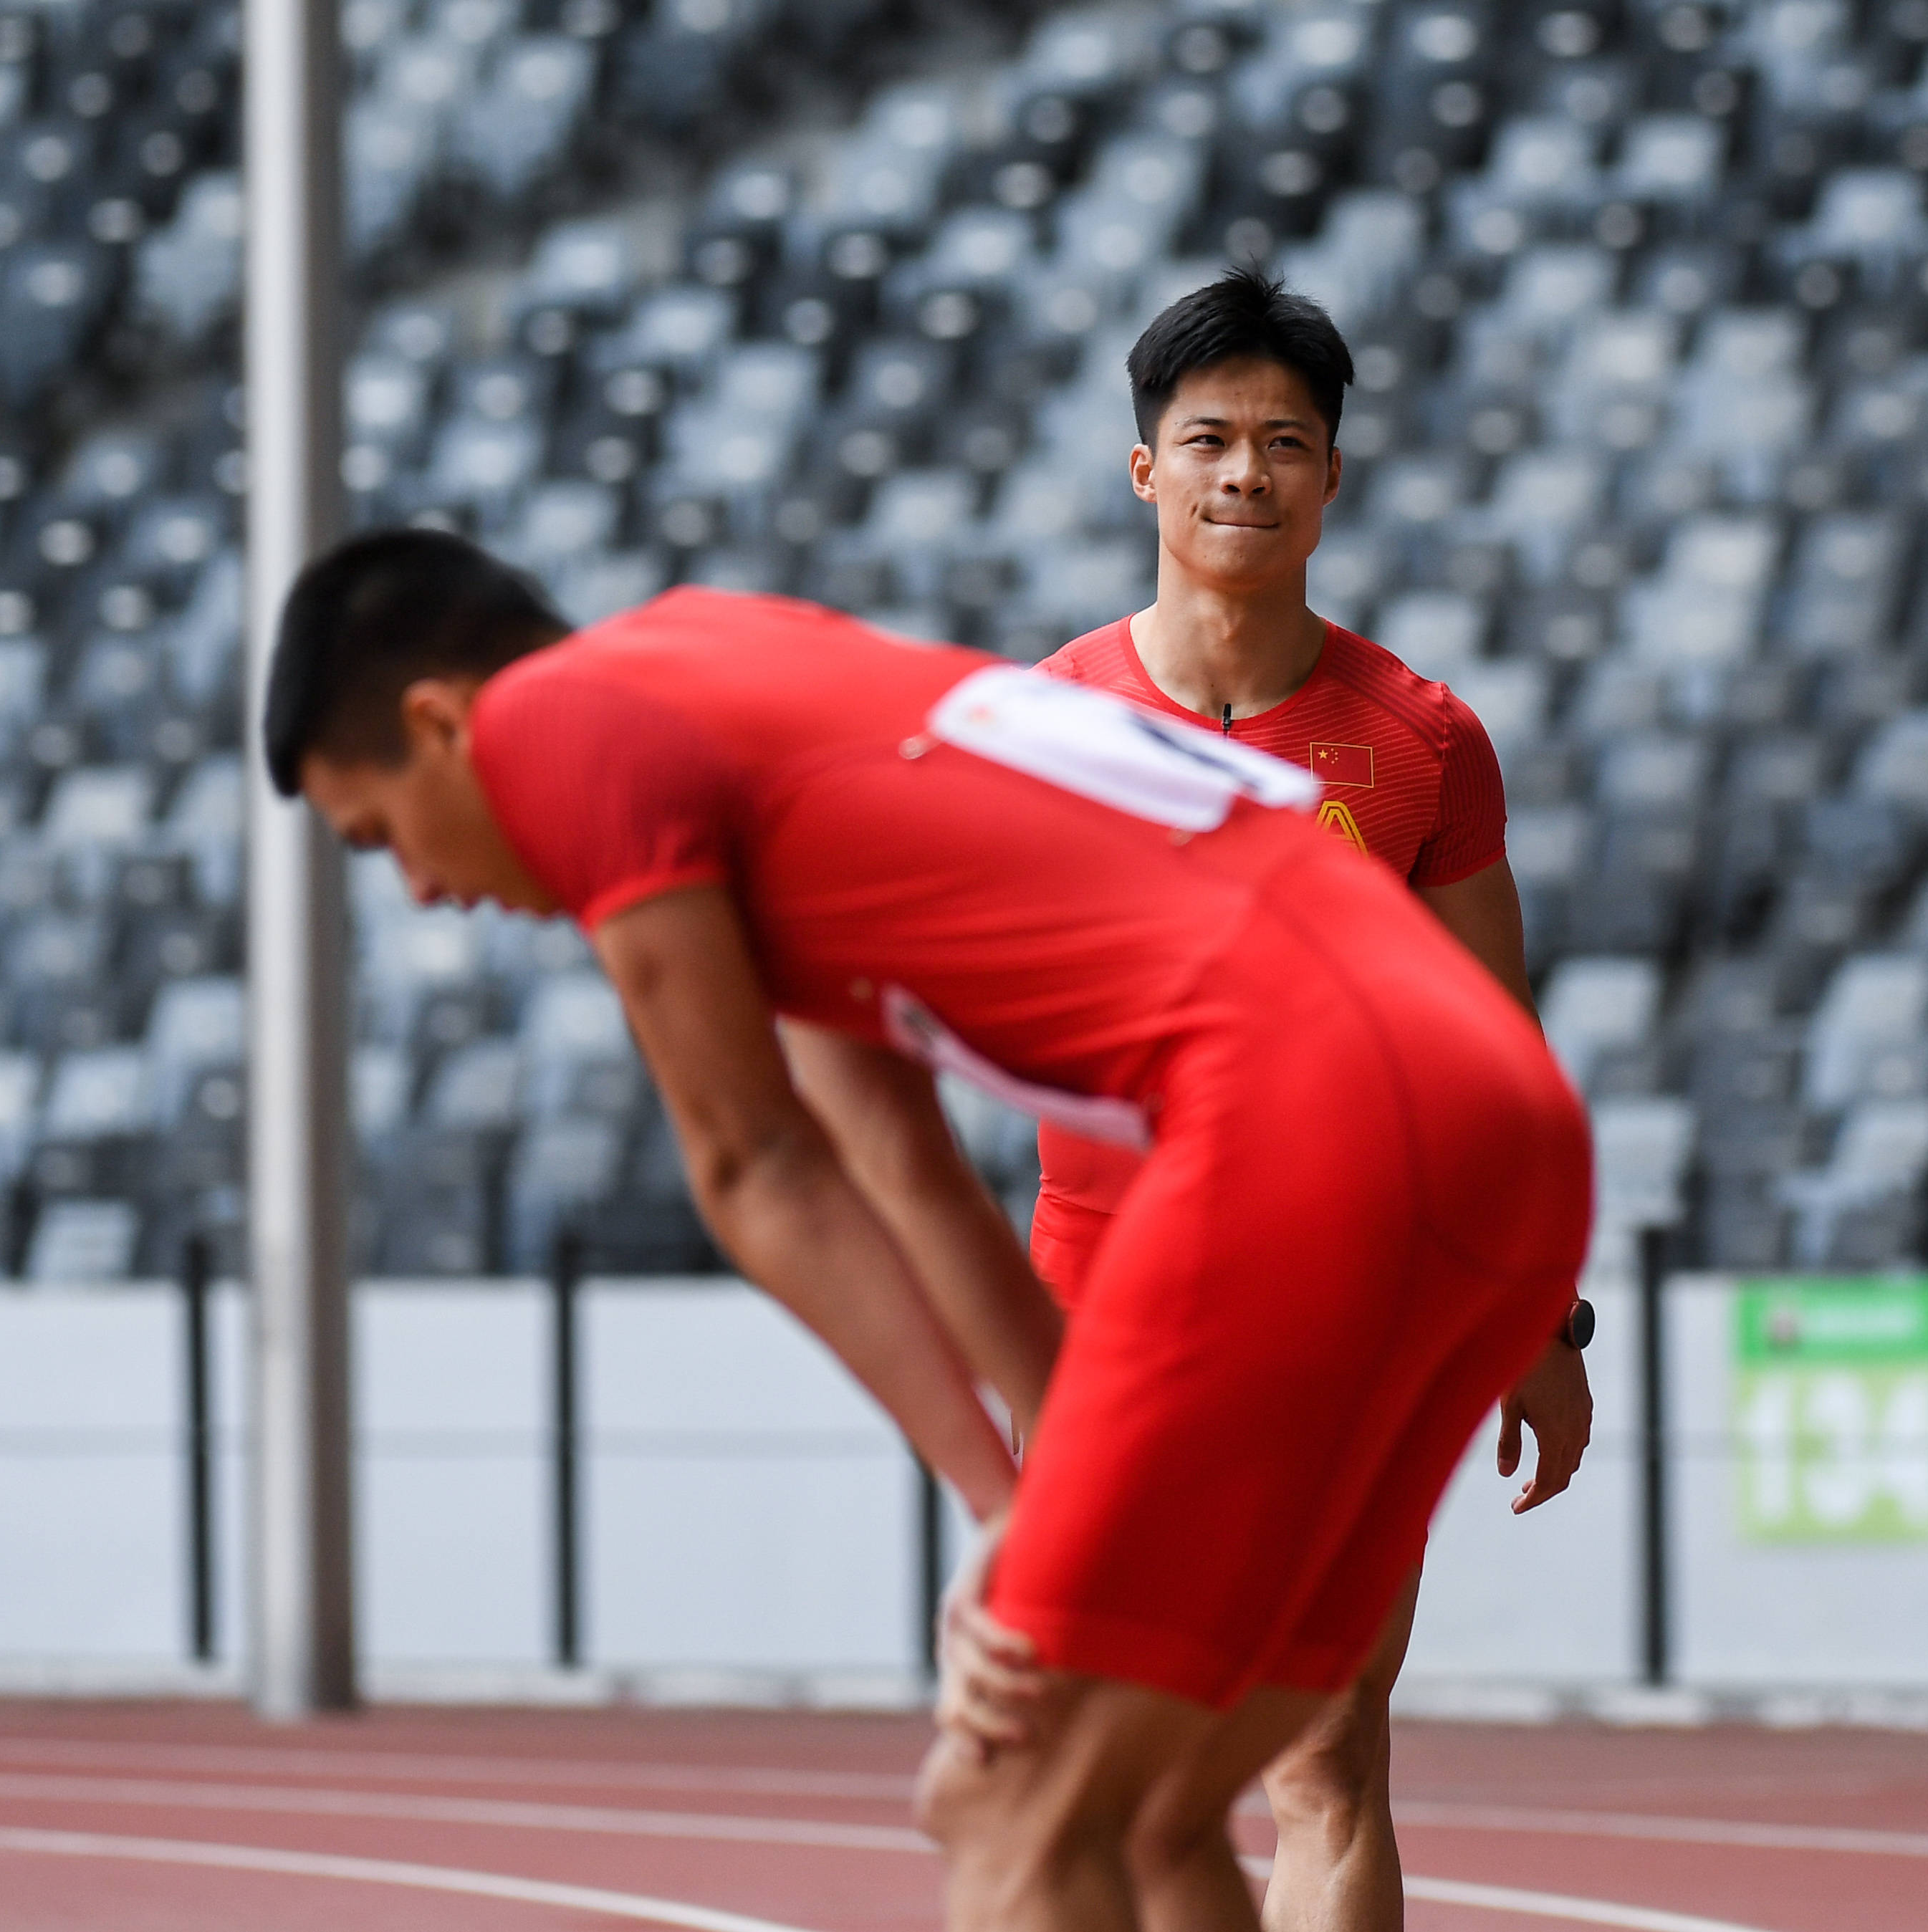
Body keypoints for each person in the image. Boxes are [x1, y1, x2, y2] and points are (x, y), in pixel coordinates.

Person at [261, 528, 1592, 1932]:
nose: (414, 886)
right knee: (1144, 1810)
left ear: (436, 720)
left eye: (379, 834)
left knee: (1004, 1800)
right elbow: (890, 1155)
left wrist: (1019, 1520)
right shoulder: (726, 670)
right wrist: (1013, 1502)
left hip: (1306, 1102)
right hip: (1494, 1123)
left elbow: (755, 1159)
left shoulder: (555, 721)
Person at [967, 266, 1593, 1932]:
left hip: (1344, 1299)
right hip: (1102, 1292)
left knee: (1328, 1757)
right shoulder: (1041, 724)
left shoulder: (1419, 743)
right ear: (1143, 472)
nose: (1243, 472)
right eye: (1208, 440)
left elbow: (1494, 1050)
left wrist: (1546, 1320)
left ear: (1330, 477)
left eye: (1282, 442)